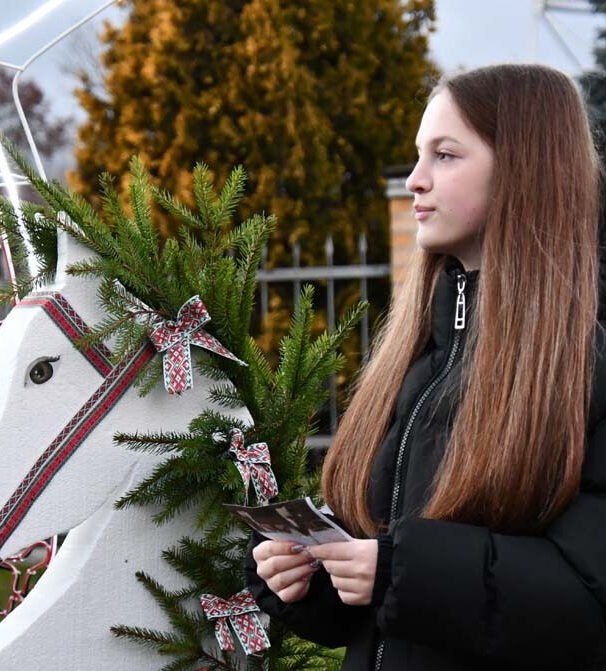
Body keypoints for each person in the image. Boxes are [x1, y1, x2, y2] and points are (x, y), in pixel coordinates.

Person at [246, 63, 606, 670]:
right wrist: (311, 576)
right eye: (419, 155)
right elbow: (382, 604)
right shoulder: (414, 359)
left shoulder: (586, 369)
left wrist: (399, 573)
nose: (415, 180)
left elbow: (587, 604)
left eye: (445, 155)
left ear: (524, 169)